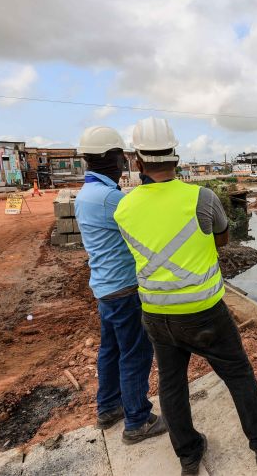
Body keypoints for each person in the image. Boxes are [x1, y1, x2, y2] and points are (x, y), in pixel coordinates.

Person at [113, 118, 257, 475]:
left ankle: (189, 455)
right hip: (204, 312)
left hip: (155, 313)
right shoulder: (202, 197)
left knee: (171, 382)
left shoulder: (124, 208)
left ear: (137, 160)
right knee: (238, 373)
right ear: (176, 157)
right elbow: (223, 239)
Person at [74, 126, 166, 444]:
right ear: (114, 159)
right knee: (136, 354)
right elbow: (148, 229)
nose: (123, 162)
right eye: (121, 156)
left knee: (111, 350)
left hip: (104, 289)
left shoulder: (85, 195)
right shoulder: (111, 198)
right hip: (125, 290)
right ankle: (137, 420)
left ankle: (108, 407)